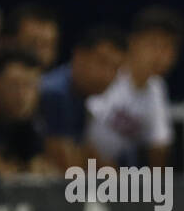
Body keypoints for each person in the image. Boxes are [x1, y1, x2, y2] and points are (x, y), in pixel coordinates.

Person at [86, 6, 184, 167]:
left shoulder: (157, 88)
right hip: (75, 172)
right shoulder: (109, 72)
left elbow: (159, 148)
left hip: (110, 179)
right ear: (133, 42)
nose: (160, 56)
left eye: (168, 48)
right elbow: (82, 135)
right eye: (153, 45)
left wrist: (157, 189)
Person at [40, 24, 126, 170]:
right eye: (102, 62)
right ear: (78, 56)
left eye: (115, 68)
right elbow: (68, 169)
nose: (107, 75)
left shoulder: (80, 94)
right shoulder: (55, 94)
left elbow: (88, 155)